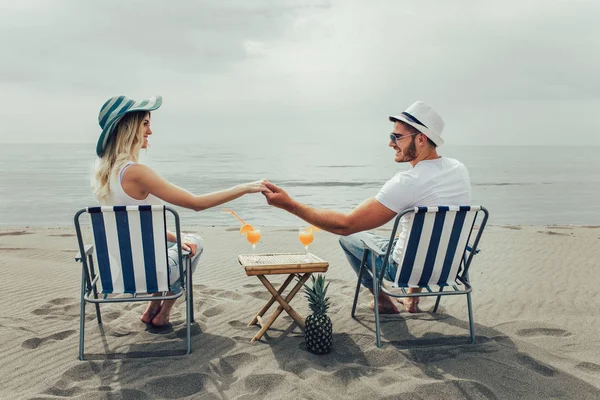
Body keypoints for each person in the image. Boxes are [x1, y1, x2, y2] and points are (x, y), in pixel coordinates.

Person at [263, 101, 471, 314]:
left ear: (420, 139)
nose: (391, 144)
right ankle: (412, 299)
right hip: (449, 268)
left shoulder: (409, 181)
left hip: (404, 270)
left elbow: (345, 225)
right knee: (410, 233)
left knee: (347, 238)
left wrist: (289, 204)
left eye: (396, 137)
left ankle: (382, 300)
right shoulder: (459, 169)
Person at [92, 95, 269, 326]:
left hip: (116, 272)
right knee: (196, 242)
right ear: (129, 128)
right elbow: (196, 203)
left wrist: (176, 237)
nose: (150, 131)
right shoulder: (136, 173)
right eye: (145, 123)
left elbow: (133, 228)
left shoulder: (104, 173)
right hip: (149, 275)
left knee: (183, 241)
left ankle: (152, 310)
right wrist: (245, 188)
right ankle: (163, 313)